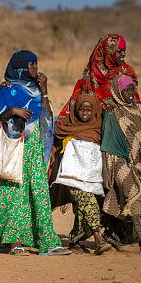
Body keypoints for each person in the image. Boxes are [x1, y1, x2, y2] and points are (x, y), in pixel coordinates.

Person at [0, 51, 70, 256]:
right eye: (32, 65)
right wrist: (12, 112)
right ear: (22, 68)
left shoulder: (37, 89)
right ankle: (14, 241)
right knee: (14, 195)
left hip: (34, 151)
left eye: (36, 64)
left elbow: (47, 119)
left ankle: (47, 241)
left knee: (39, 194)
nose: (36, 68)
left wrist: (44, 90)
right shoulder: (8, 91)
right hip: (14, 150)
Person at [101, 75, 141, 255]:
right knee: (134, 194)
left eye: (132, 90)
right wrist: (106, 172)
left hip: (135, 162)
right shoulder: (112, 112)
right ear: (118, 91)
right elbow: (106, 144)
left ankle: (112, 235)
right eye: (127, 90)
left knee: (123, 201)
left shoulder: (138, 110)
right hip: (116, 161)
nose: (131, 93)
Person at [48, 93, 111, 255]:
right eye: (81, 109)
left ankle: (75, 240)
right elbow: (54, 144)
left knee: (82, 210)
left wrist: (106, 174)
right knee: (88, 203)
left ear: (94, 110)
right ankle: (98, 239)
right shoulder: (66, 127)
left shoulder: (99, 128)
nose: (85, 113)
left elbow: (105, 152)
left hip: (92, 177)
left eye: (89, 110)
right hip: (72, 176)